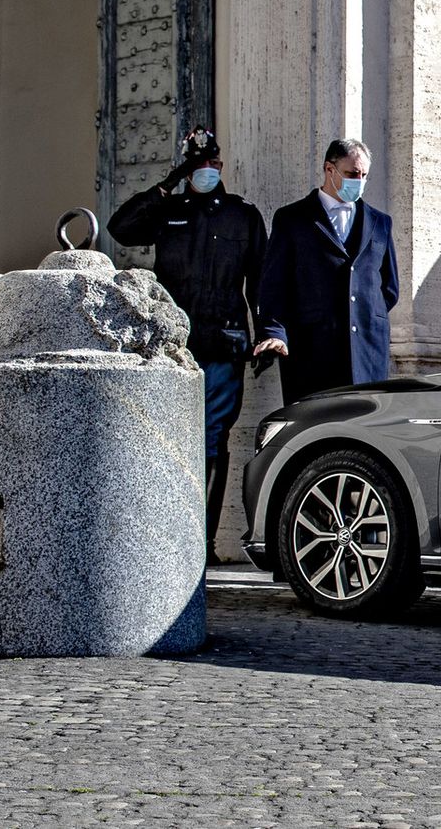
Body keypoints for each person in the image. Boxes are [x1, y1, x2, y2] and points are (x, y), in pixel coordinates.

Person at [106, 126, 268, 563]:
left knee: (213, 439)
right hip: (171, 349)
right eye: (197, 166)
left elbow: (260, 283)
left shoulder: (243, 216)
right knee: (166, 439)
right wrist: (169, 182)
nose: (207, 171)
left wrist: (268, 333)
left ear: (221, 166)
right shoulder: (169, 210)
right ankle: (164, 540)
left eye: (212, 164)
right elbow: (120, 227)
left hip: (222, 344)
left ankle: (203, 544)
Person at [254, 138, 400, 406]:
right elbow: (274, 284)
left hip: (367, 350)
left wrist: (365, 316)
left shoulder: (381, 222)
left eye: (364, 175)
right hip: (311, 348)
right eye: (351, 174)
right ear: (329, 169)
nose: (359, 180)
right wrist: (274, 332)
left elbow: (389, 289)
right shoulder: (292, 219)